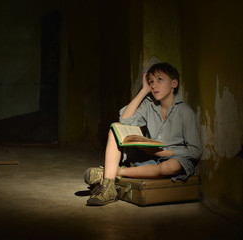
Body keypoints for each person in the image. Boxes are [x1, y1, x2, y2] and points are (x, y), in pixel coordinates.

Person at [85, 62, 202, 206]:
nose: (154, 85)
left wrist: (164, 153)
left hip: (175, 158)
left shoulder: (185, 112)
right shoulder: (149, 105)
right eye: (151, 82)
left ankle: (112, 174)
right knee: (115, 128)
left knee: (171, 166)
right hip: (150, 158)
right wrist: (144, 91)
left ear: (174, 83)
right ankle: (109, 189)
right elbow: (125, 120)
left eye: (159, 79)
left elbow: (196, 151)